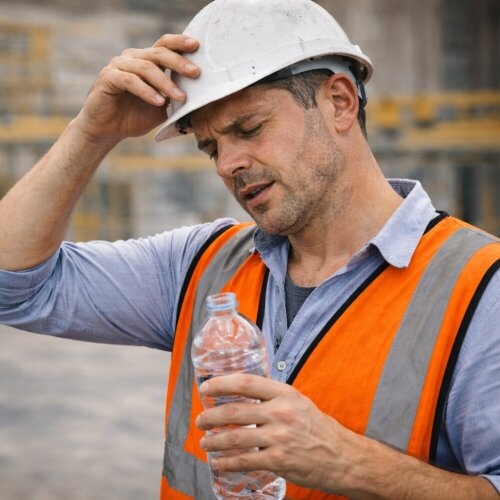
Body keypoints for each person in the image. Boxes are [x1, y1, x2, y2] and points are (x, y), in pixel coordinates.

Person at [0, 0, 499, 498]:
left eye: (249, 129)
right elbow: (15, 288)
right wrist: (93, 132)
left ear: (340, 102)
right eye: (212, 147)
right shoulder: (200, 266)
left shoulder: (479, 288)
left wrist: (351, 464)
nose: (227, 165)